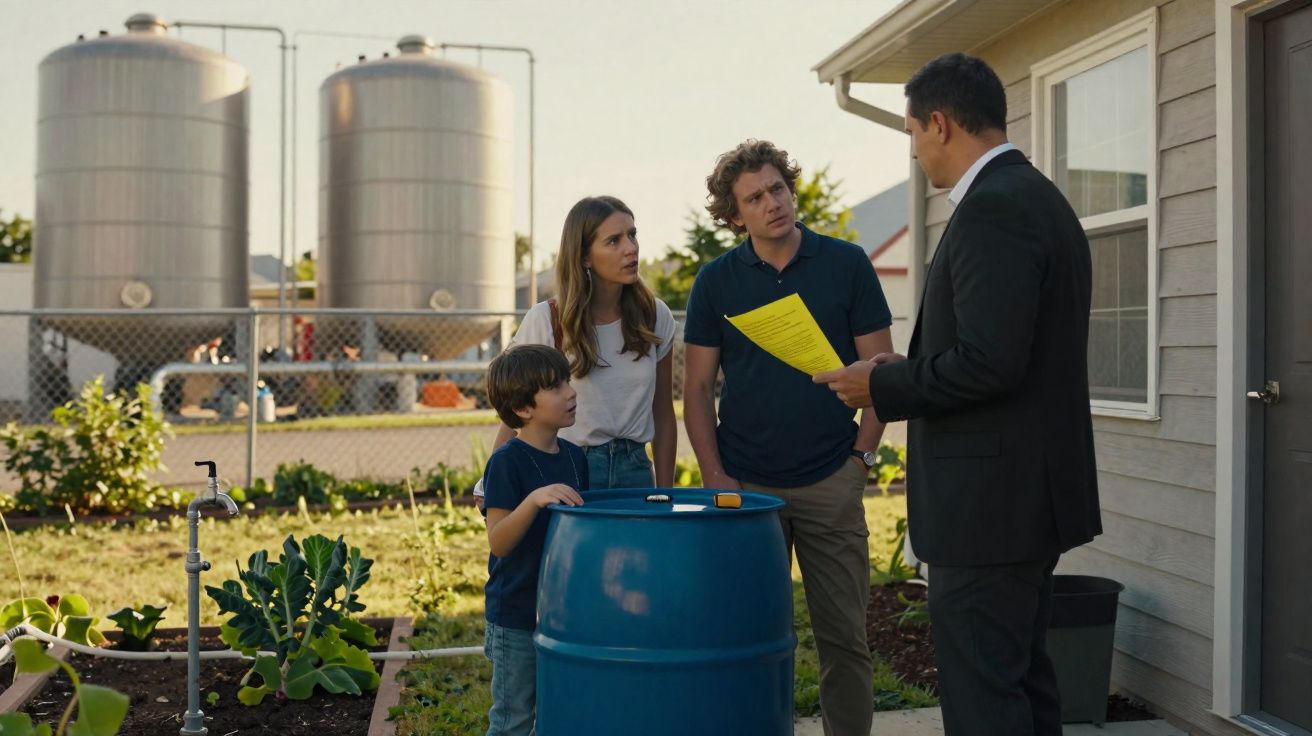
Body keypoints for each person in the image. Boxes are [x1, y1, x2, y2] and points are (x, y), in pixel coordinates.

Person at [814, 53, 1102, 736]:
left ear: (940, 124)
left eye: (912, 133)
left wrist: (879, 382)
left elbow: (989, 364)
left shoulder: (993, 210)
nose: (913, 151)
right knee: (1023, 681)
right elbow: (1002, 352)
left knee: (986, 703)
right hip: (1025, 500)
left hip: (989, 508)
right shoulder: (1037, 198)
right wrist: (903, 365)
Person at [682, 139, 894, 736]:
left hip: (832, 476)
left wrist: (862, 456)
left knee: (845, 640)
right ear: (734, 215)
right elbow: (696, 389)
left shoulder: (846, 263)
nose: (772, 203)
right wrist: (716, 476)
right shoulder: (716, 282)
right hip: (747, 485)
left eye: (778, 188)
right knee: (749, 635)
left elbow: (883, 373)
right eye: (754, 197)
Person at [489, 195, 677, 491]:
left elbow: (664, 415)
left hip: (636, 474)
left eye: (632, 235)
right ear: (585, 257)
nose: (631, 248)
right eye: (613, 241)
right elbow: (514, 410)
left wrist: (666, 494)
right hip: (568, 470)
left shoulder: (655, 316)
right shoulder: (548, 319)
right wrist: (491, 484)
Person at [481, 344, 588, 736]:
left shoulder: (575, 458)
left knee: (559, 713)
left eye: (568, 381)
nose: (571, 392)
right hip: (517, 615)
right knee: (514, 720)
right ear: (524, 409)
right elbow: (499, 542)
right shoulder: (507, 462)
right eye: (556, 387)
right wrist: (533, 500)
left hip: (561, 614)